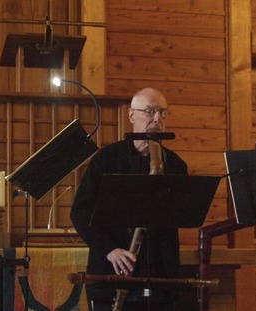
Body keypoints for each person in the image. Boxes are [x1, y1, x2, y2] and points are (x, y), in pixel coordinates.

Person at [70, 88, 188, 311]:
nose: (157, 119)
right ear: (132, 115)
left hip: (160, 277)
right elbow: (80, 212)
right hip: (111, 272)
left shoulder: (175, 165)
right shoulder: (107, 159)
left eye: (163, 113)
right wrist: (110, 249)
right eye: (150, 111)